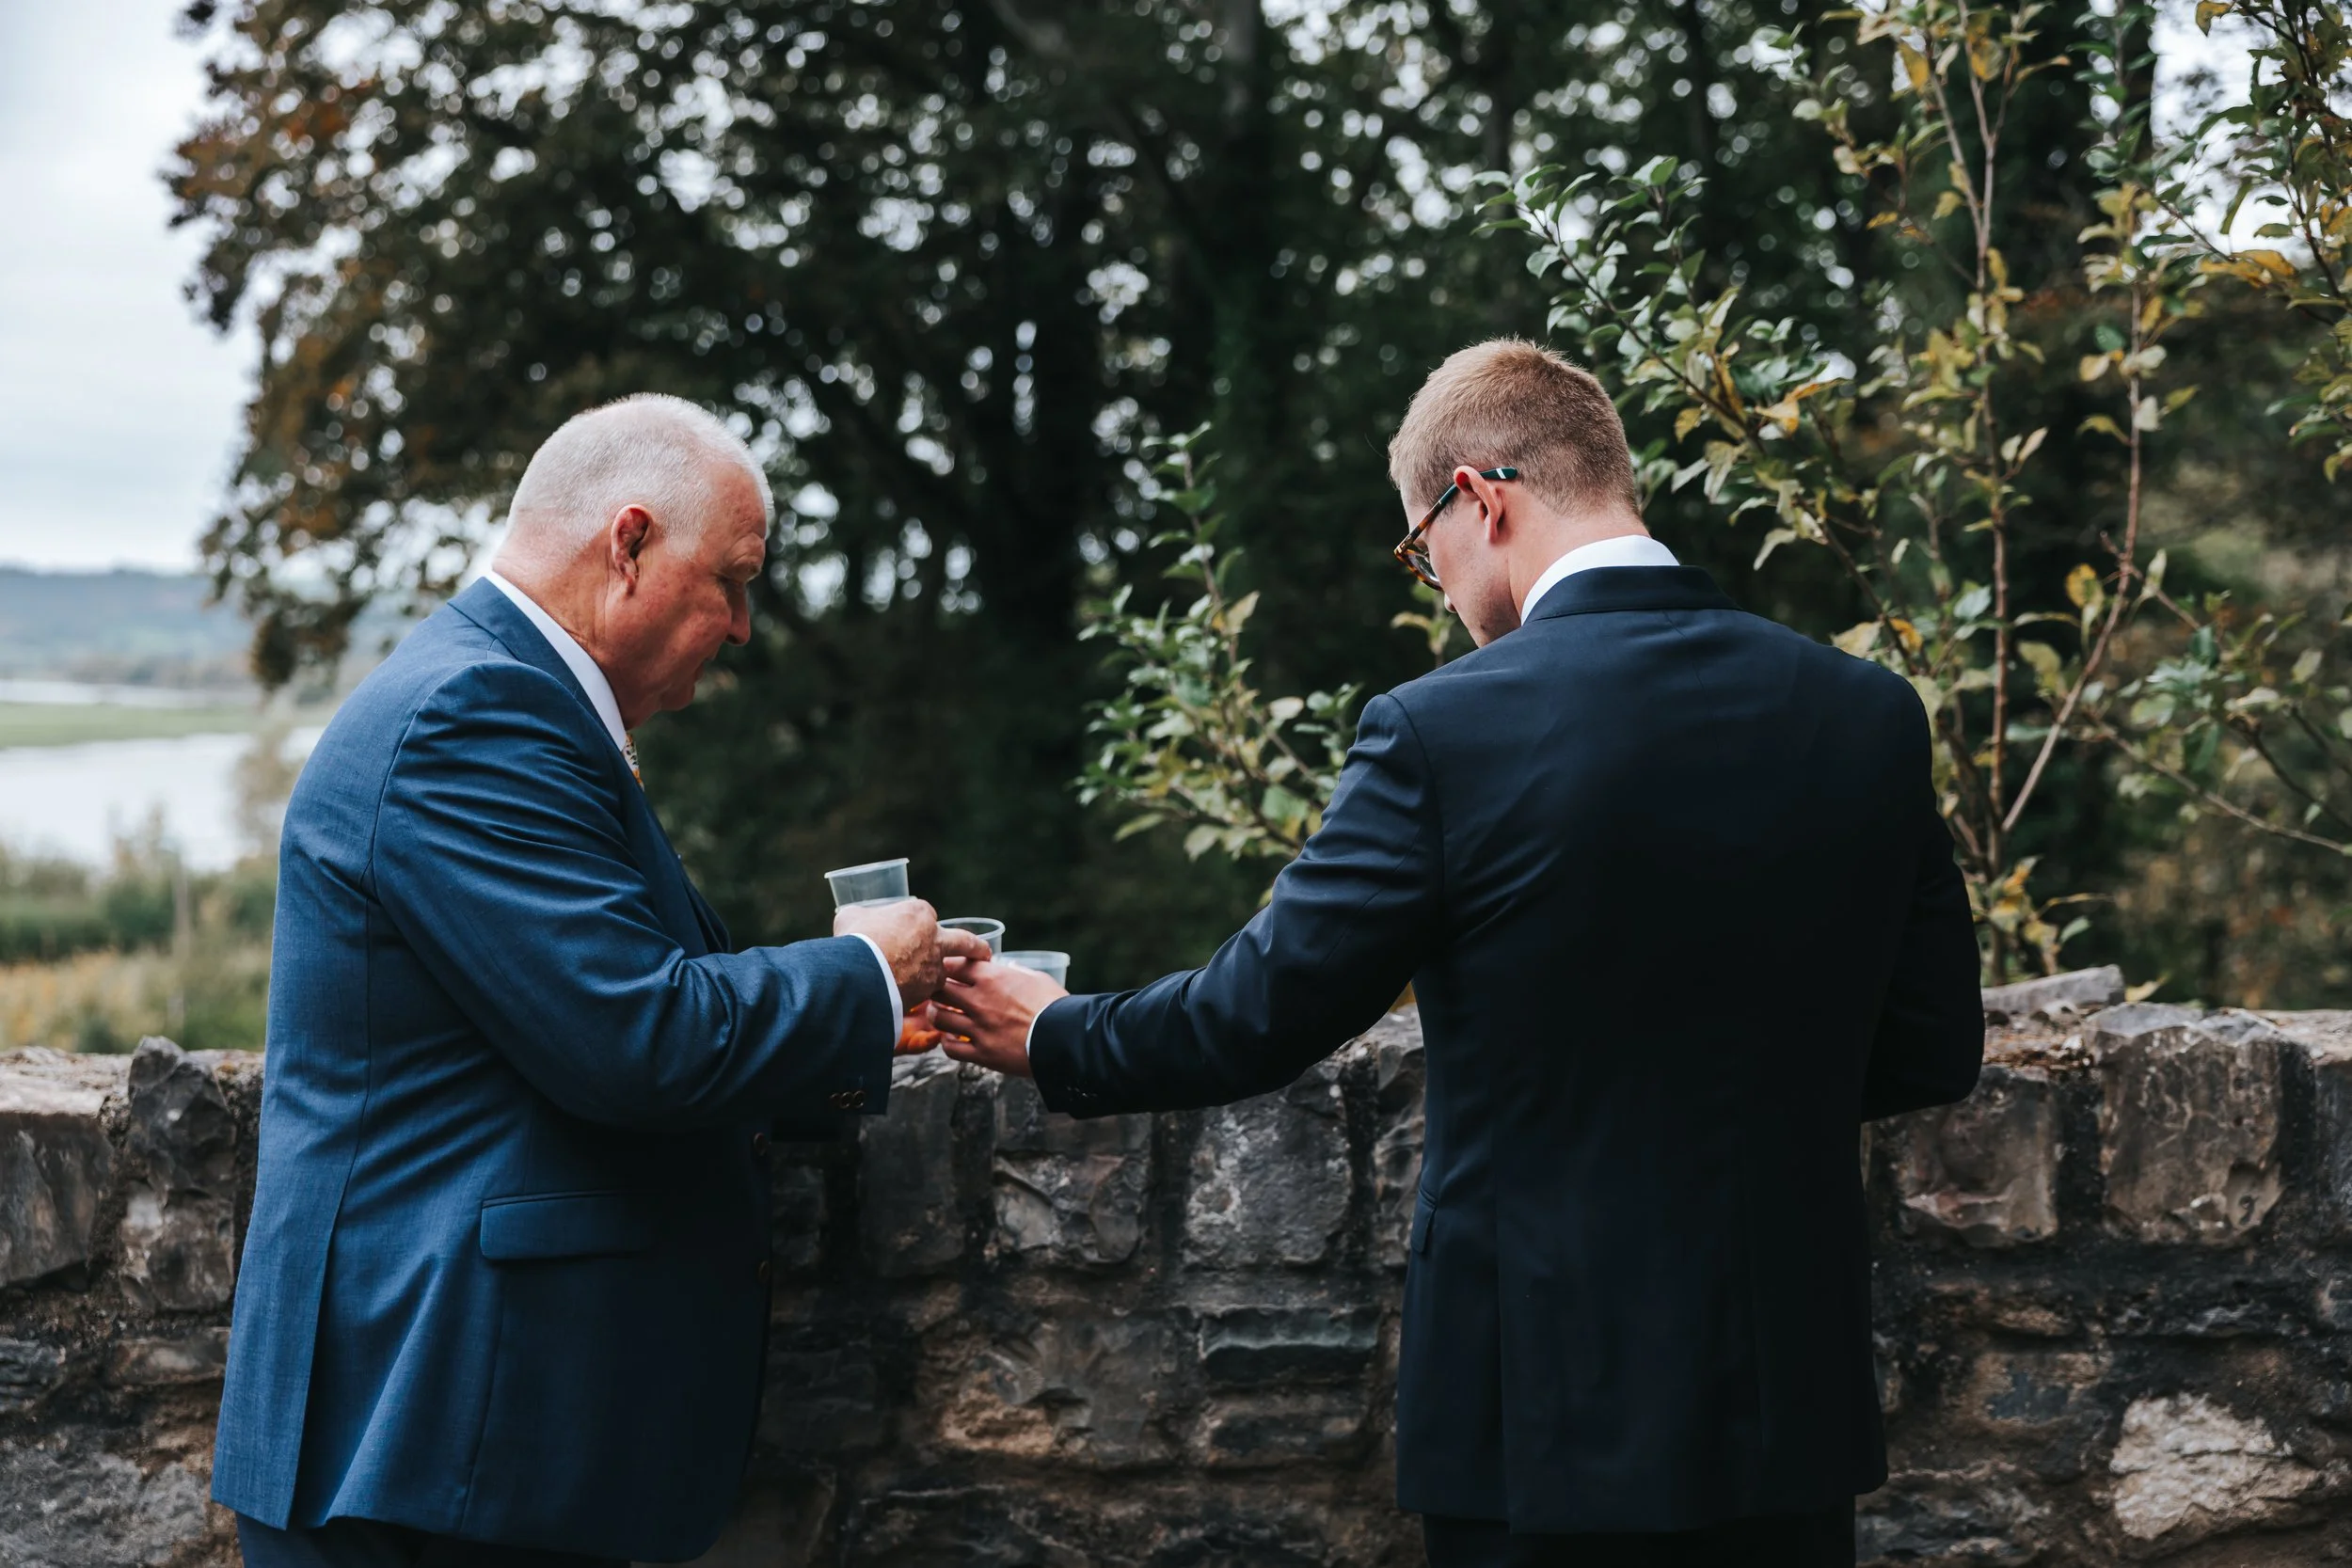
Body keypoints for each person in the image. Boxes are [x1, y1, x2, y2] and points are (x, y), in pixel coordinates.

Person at [931, 340, 1985, 1568]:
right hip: (1786, 1415)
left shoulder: (1446, 730)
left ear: (1480, 497)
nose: (1433, 581)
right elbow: (1930, 1047)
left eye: (1419, 546)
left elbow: (1258, 1007)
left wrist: (1056, 1026)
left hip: (1542, 1418)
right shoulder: (1864, 713)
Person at [211, 394, 986, 1567]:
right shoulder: (473, 712)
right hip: (426, 1448)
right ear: (627, 544)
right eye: (730, 579)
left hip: (473, 1447)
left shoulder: (517, 699)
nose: (739, 626)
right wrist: (860, 973)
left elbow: (572, 1013)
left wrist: (859, 1022)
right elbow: (639, 1039)